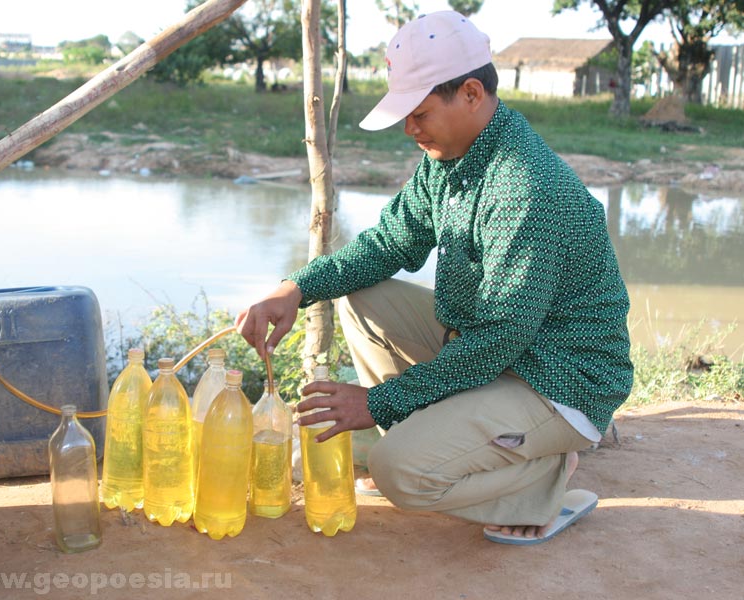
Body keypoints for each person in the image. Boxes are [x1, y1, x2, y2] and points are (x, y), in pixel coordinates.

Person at [236, 10, 633, 545]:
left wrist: (375, 402)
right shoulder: (450, 158)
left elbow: (498, 342)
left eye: (419, 113)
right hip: (502, 348)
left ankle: (541, 477)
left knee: (397, 472)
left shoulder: (524, 188)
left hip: (557, 379)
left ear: (471, 93)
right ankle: (443, 437)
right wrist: (295, 289)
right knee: (362, 294)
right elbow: (385, 246)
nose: (409, 129)